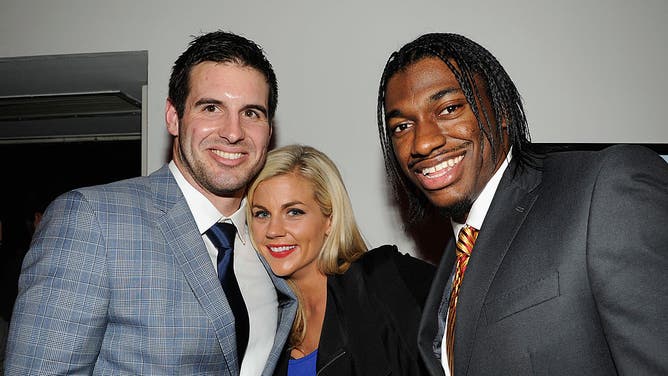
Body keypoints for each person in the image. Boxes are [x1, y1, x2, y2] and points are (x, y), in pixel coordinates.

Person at [5, 31, 297, 375]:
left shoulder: (272, 242)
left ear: (268, 129)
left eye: (251, 113)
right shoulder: (92, 220)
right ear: (173, 117)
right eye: (211, 107)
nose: (233, 132)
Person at [376, 33, 668, 375]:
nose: (422, 142)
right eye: (402, 126)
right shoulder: (453, 262)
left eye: (449, 108)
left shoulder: (605, 187)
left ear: (500, 111)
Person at [246, 144, 435, 375]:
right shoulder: (259, 319)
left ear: (330, 220)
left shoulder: (382, 279)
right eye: (262, 214)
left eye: (294, 212)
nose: (274, 230)